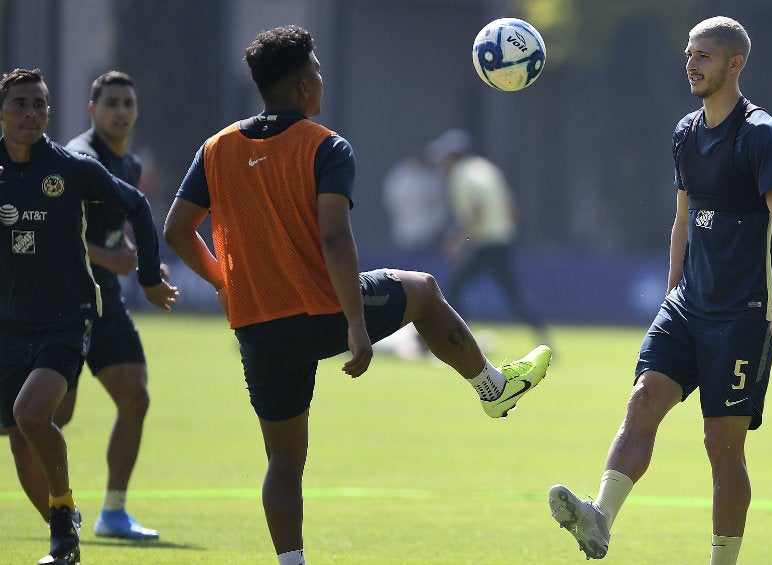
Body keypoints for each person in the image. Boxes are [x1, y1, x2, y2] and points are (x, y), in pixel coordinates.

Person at [162, 25, 551, 565]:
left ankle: (290, 563)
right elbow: (334, 238)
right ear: (302, 87)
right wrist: (355, 325)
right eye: (316, 72)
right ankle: (492, 387)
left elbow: (178, 231)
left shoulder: (216, 149)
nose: (321, 79)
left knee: (283, 460)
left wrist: (226, 284)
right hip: (321, 309)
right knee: (423, 289)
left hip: (257, 327)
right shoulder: (325, 146)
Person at [546, 17, 772, 565]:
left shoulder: (759, 134)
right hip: (687, 306)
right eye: (689, 54)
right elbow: (682, 219)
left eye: (704, 56)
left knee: (721, 446)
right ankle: (599, 518)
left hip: (742, 315)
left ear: (735, 65)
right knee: (643, 401)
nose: (691, 63)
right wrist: (670, 294)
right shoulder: (686, 132)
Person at [0, 68, 177, 565]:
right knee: (26, 436)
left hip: (70, 315)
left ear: (50, 112)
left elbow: (138, 206)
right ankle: (66, 534)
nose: (30, 113)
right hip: (10, 322)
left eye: (39, 104)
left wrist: (146, 275)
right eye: (20, 104)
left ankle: (77, 520)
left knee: (33, 413)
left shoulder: (70, 166)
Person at [61, 71, 160, 539]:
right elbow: (55, 238)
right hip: (61, 302)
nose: (121, 111)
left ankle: (113, 513)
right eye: (111, 103)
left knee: (135, 397)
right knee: (53, 416)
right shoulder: (79, 159)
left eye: (128, 103)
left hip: (107, 301)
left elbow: (114, 228)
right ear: (92, 110)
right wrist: (114, 259)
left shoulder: (131, 166)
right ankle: (57, 514)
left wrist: (141, 265)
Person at [426, 128, 549, 343]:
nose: (442, 163)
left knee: (454, 290)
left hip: (484, 242)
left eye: (444, 157)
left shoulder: (461, 174)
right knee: (514, 294)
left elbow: (477, 207)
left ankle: (461, 343)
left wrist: (458, 239)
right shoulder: (486, 168)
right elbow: (511, 208)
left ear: (454, 156)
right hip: (503, 239)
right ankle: (544, 340)